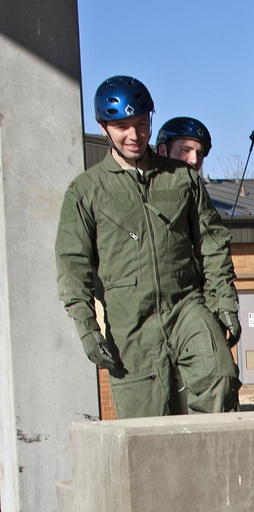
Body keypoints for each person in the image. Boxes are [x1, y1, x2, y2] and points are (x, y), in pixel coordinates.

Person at [56, 75, 242, 418]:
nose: (134, 135)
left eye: (141, 124)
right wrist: (86, 326)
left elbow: (213, 243)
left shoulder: (182, 178)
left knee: (220, 376)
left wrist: (224, 300)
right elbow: (72, 264)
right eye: (122, 126)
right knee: (146, 424)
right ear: (103, 126)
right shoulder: (85, 190)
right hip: (130, 322)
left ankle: (209, 466)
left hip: (186, 304)